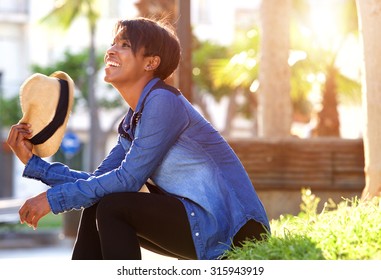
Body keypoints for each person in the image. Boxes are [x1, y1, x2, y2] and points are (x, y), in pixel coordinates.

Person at [7, 17, 270, 260]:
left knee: (112, 207)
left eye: (124, 45)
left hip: (236, 229)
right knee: (100, 201)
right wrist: (34, 164)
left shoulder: (163, 102)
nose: (110, 50)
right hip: (203, 222)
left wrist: (52, 200)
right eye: (112, 43)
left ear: (150, 62)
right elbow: (99, 182)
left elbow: (126, 180)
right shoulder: (136, 118)